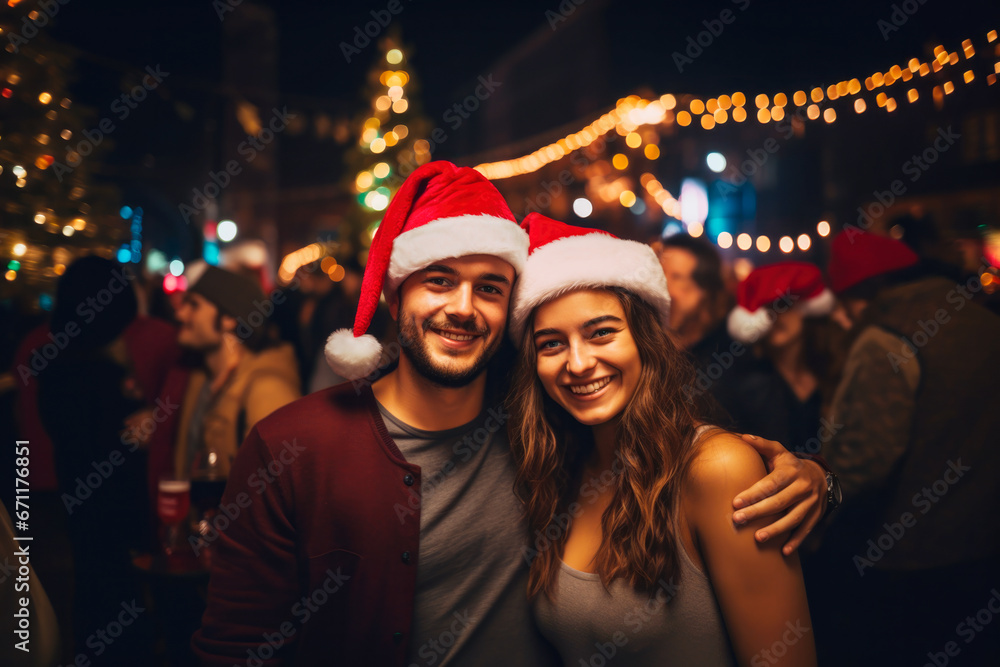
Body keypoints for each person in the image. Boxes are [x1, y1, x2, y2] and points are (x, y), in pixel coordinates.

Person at [192, 161, 828, 666]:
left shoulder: (544, 424)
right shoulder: (293, 445)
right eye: (438, 280)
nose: (464, 308)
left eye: (490, 288)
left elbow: (700, 479)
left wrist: (814, 478)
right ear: (396, 292)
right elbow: (237, 645)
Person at [506, 214, 817, 666]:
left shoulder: (716, 468)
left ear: (645, 341)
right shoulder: (560, 469)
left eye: (601, 333)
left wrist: (823, 478)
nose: (577, 363)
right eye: (551, 344)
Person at [810, 229, 1000, 666]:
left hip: (907, 559)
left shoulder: (885, 336)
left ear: (863, 291)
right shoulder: (981, 318)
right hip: (982, 546)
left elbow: (866, 459)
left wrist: (817, 500)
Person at [144, 266, 300, 486]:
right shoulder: (199, 378)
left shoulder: (267, 392)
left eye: (194, 305)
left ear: (229, 319)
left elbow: (276, 491)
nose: (180, 314)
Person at [724, 262, 837, 453]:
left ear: (806, 309)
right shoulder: (748, 384)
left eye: (783, 305)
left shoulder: (833, 370)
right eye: (765, 310)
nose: (775, 316)